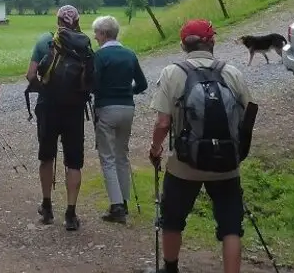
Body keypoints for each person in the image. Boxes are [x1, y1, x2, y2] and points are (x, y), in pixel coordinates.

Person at [149, 20, 254, 273]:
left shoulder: (172, 73)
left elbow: (163, 122)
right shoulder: (232, 72)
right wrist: (238, 151)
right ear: (212, 42)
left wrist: (155, 149)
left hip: (185, 163)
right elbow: (248, 115)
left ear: (183, 45)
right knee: (230, 227)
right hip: (227, 164)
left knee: (172, 219)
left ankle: (170, 268)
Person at [25, 4, 94, 231]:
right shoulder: (85, 43)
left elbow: (30, 74)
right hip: (74, 108)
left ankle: (46, 206)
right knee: (73, 162)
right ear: (77, 21)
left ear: (57, 20)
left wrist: (45, 89)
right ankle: (71, 213)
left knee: (47, 156)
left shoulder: (45, 40)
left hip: (48, 106)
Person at [90, 15, 147, 223]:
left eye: (96, 33)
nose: (95, 37)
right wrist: (127, 90)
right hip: (127, 107)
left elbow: (93, 85)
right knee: (122, 156)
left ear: (104, 34)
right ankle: (124, 200)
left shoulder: (100, 57)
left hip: (106, 107)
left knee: (108, 157)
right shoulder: (130, 54)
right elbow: (142, 84)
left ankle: (116, 206)